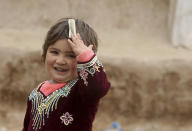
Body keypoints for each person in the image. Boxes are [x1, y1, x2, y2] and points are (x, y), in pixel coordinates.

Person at [22, 17, 110, 131]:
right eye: (54, 52)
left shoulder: (82, 92)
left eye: (71, 55)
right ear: (45, 53)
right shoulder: (36, 92)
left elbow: (98, 87)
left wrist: (85, 56)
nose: (60, 61)